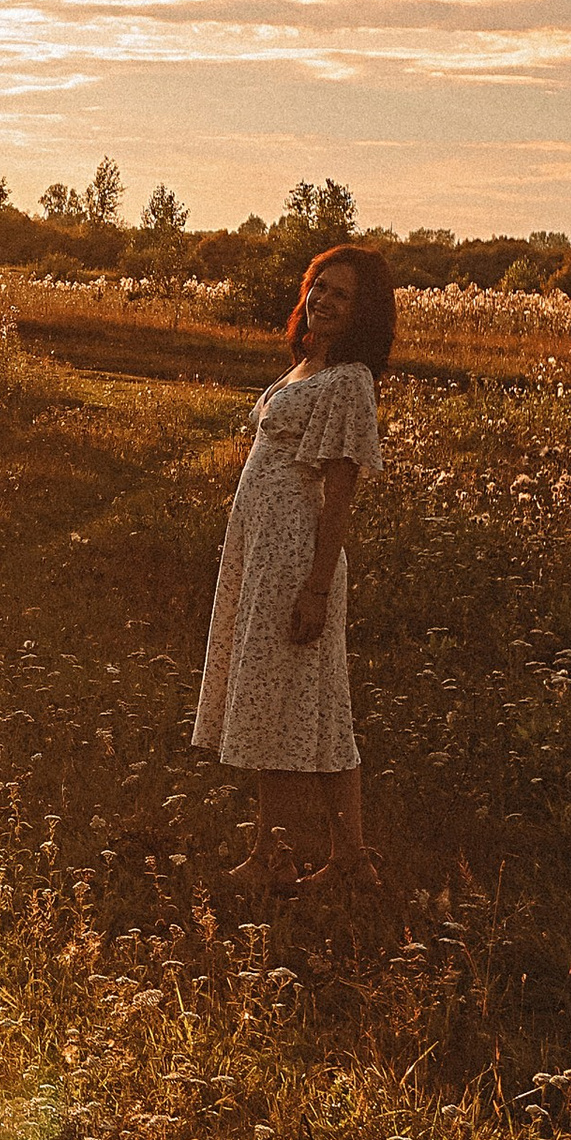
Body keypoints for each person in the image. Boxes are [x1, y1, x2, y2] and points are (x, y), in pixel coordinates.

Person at [191, 245, 393, 888]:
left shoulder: (350, 379)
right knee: (320, 704)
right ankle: (352, 862)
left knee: (277, 699)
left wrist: (316, 584)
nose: (325, 301)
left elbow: (340, 496)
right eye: (320, 287)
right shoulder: (306, 366)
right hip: (261, 553)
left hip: (296, 560)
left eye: (342, 295)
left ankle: (273, 857)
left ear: (364, 313)